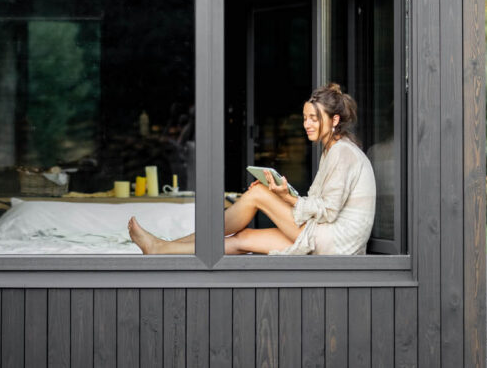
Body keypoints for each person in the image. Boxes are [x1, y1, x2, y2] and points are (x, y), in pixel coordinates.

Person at [128, 83, 376, 255]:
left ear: (334, 120)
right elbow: (321, 206)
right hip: (326, 235)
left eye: (314, 118)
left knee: (257, 195)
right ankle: (162, 248)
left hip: (335, 243)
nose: (307, 124)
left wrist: (285, 197)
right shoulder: (333, 149)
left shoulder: (342, 152)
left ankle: (165, 245)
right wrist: (284, 195)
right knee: (242, 239)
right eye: (305, 117)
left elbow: (328, 211)